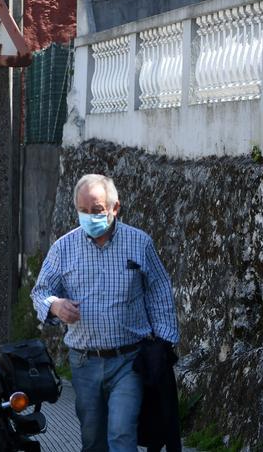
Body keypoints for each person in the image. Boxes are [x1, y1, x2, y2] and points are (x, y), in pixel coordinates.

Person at [31, 174, 180, 452]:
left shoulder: (139, 243)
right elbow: (40, 291)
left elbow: (159, 288)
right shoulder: (63, 248)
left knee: (122, 433)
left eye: (97, 210)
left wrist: (163, 342)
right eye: (83, 211)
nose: (90, 217)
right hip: (84, 361)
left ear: (115, 208)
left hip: (129, 360)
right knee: (93, 439)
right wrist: (55, 305)